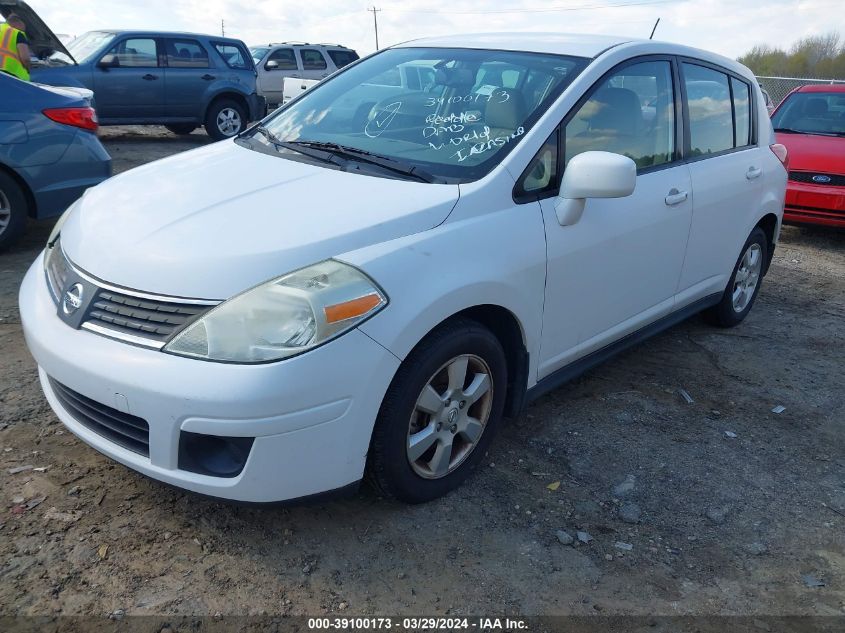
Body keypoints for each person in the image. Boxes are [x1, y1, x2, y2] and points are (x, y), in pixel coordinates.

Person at [0, 14, 31, 81]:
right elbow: (25, 59)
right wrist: (28, 69)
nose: (24, 29)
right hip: (10, 75)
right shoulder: (17, 33)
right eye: (24, 26)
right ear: (19, 23)